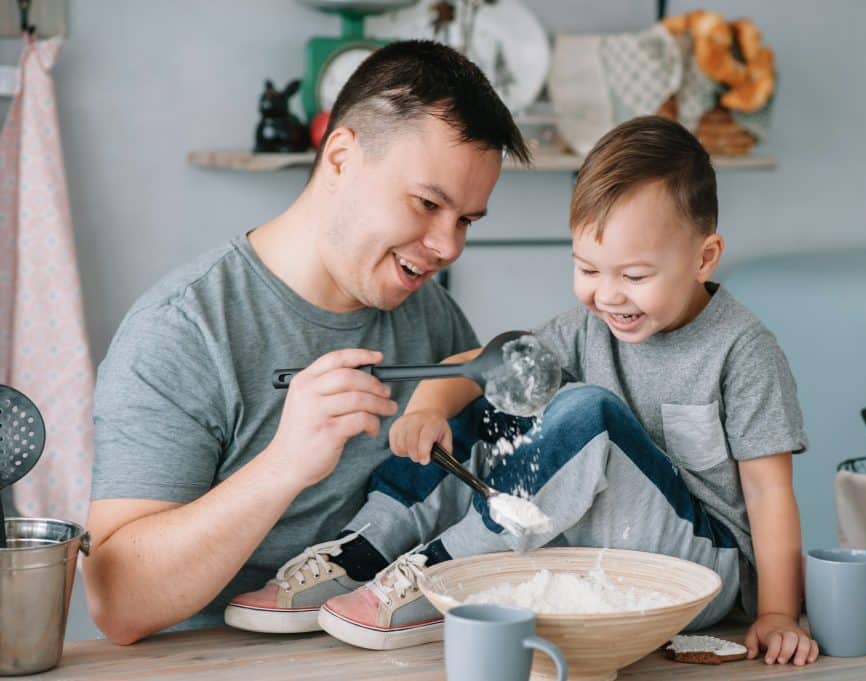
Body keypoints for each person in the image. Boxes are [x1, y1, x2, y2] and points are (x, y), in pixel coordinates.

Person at [231, 116, 819, 666]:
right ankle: (364, 550)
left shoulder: (743, 351)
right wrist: (429, 409)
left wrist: (776, 612)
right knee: (499, 383)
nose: (608, 296)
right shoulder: (589, 327)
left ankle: (451, 577)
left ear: (704, 257)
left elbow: (770, 494)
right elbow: (481, 363)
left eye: (635, 276)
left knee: (587, 410)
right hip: (596, 543)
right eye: (588, 270)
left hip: (697, 563)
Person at [81, 40, 530, 645]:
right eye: (428, 203)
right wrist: (284, 465)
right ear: (342, 157)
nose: (449, 246)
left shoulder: (430, 313)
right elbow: (117, 604)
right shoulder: (184, 330)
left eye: (467, 220)